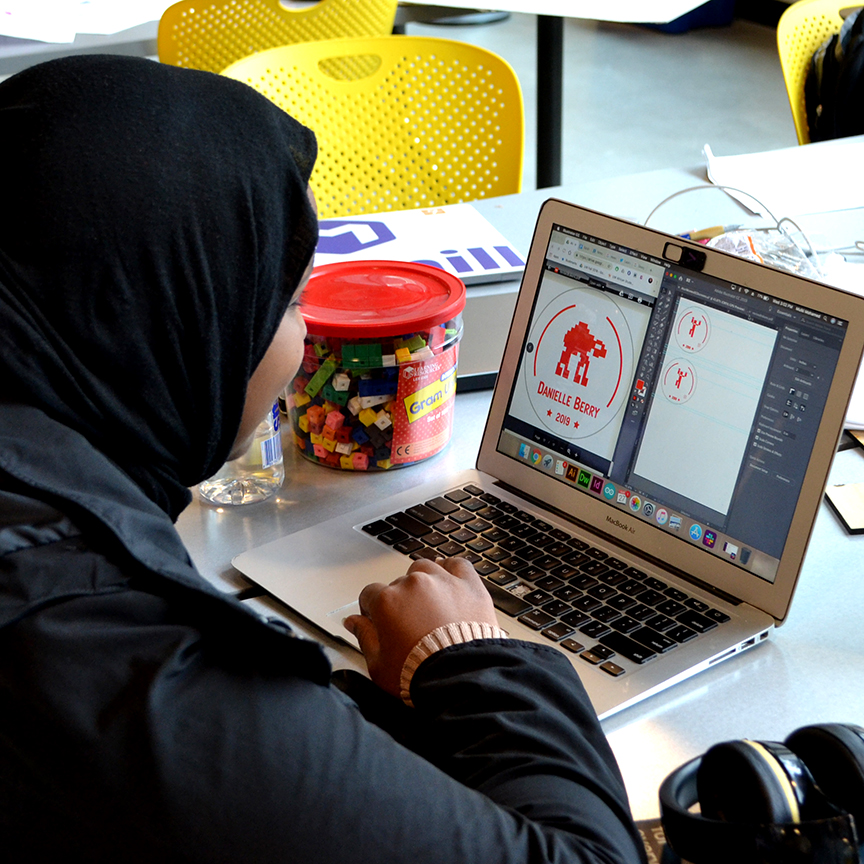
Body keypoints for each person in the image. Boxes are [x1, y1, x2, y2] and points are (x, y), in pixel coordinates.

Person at [0, 55, 646, 864]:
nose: (304, 344)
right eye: (291, 300)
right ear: (180, 315)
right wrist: (473, 658)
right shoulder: (117, 657)